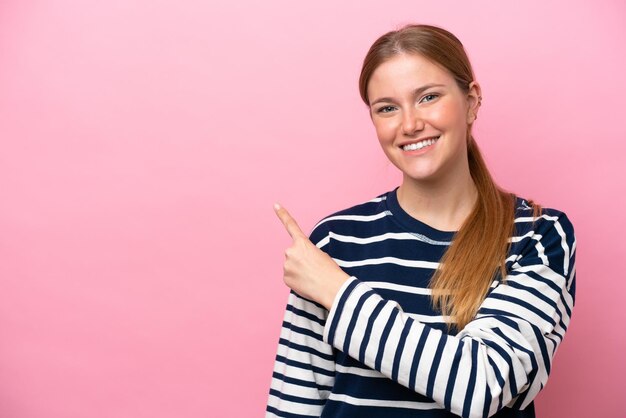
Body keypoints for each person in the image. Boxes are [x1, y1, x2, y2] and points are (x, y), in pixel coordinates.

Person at [266, 23, 576, 418]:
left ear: (472, 101)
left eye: (428, 97)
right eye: (387, 108)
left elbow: (482, 384)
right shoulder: (334, 242)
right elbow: (293, 405)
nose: (409, 124)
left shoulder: (539, 235)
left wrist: (337, 291)